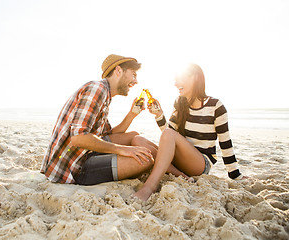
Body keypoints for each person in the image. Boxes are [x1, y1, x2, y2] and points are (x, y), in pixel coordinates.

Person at [133, 63, 245, 201]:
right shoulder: (180, 102)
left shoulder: (216, 106)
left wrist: (234, 174)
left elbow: (225, 142)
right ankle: (182, 176)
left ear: (195, 78)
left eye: (180, 79)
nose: (175, 83)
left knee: (167, 135)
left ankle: (149, 187)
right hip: (179, 159)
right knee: (138, 140)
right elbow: (171, 134)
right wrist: (159, 115)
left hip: (200, 163)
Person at [40, 54, 157, 185]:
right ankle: (170, 164)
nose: (135, 81)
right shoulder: (97, 89)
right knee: (145, 160)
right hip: (73, 166)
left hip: (85, 153)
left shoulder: (105, 94)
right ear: (118, 71)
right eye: (133, 74)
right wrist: (122, 149)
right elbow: (79, 138)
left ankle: (168, 162)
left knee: (134, 136)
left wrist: (132, 114)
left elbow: (108, 134)